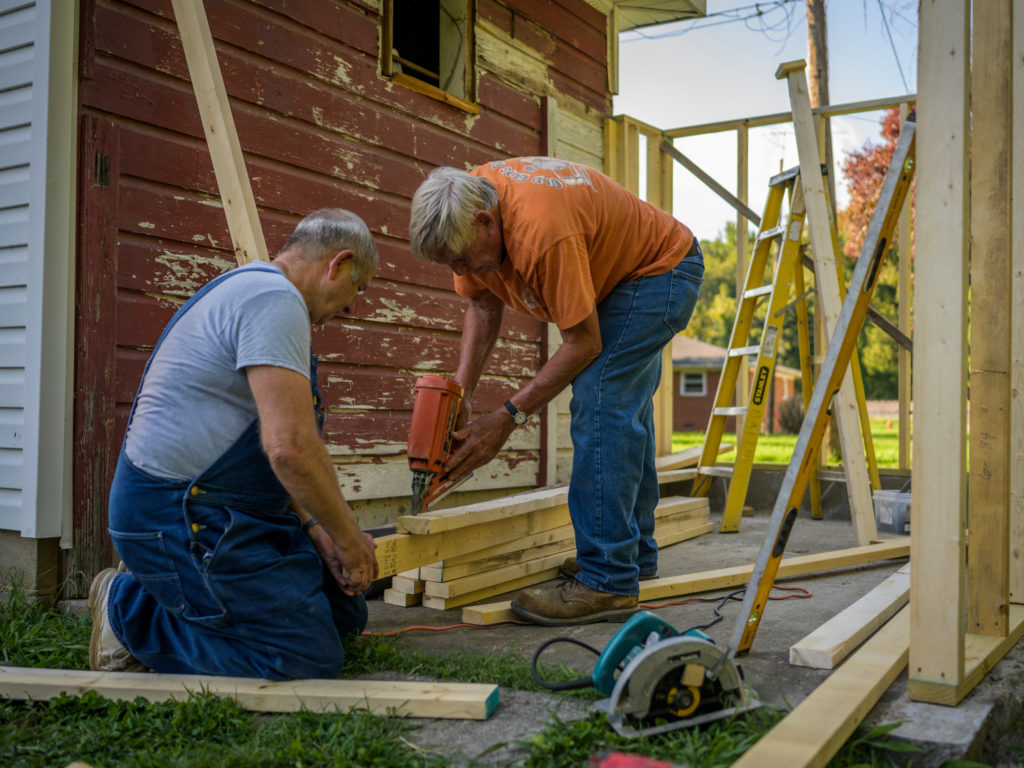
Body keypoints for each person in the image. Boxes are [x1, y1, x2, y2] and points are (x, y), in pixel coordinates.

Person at [409, 157, 703, 626]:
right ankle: (632, 552)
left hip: (657, 273)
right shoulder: (466, 213)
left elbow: (584, 343)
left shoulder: (541, 231)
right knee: (625, 412)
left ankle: (608, 579)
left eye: (460, 259)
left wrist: (506, 417)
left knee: (601, 402)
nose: (459, 269)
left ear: (486, 222)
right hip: (619, 273)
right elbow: (482, 305)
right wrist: (460, 396)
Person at [89, 208, 380, 680]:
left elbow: (275, 451)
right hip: (178, 515)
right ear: (340, 263)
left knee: (345, 614)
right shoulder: (273, 300)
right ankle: (128, 611)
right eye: (359, 287)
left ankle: (176, 598)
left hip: (227, 508)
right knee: (304, 657)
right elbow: (290, 448)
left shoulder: (262, 295)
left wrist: (317, 529)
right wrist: (347, 540)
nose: (352, 307)